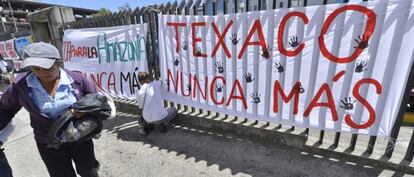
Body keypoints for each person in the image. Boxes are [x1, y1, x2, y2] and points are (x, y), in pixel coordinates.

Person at [0, 42, 100, 177]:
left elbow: (96, 102)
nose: (42, 73)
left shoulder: (77, 80)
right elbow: (4, 109)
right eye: (36, 68)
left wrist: (85, 112)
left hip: (80, 137)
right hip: (48, 142)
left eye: (47, 68)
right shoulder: (20, 86)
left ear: (58, 63)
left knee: (89, 172)